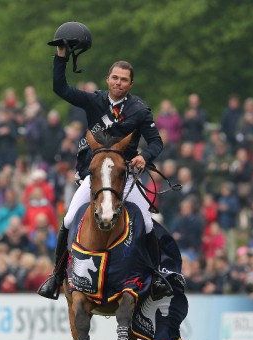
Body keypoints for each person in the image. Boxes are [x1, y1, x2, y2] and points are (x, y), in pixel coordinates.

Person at [38, 43, 172, 300]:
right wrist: (61, 57)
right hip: (96, 176)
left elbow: (156, 142)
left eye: (124, 80)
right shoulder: (94, 100)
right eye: (115, 78)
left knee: (146, 222)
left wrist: (144, 156)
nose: (118, 83)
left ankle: (156, 277)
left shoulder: (140, 110)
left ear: (131, 84)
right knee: (67, 219)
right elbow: (60, 88)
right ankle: (56, 276)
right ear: (107, 79)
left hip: (126, 177)